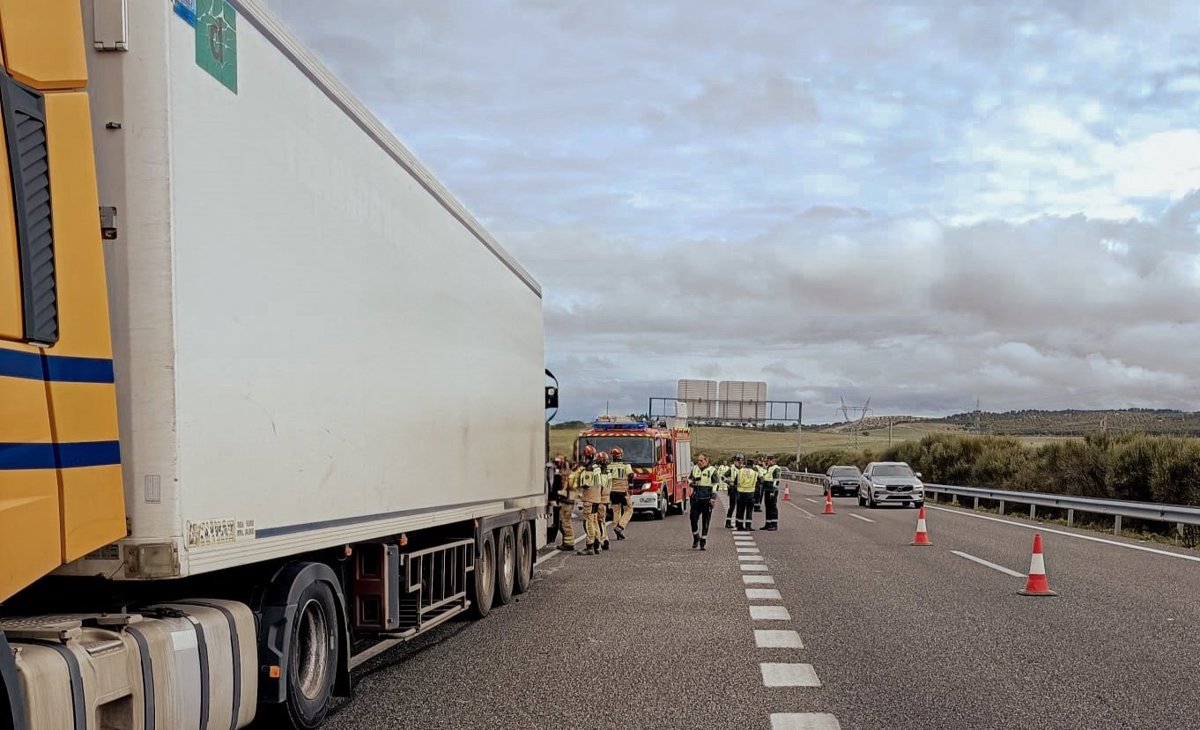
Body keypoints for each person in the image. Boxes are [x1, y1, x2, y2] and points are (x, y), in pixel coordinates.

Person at [688, 453, 718, 549]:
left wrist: (713, 497)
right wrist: (692, 483)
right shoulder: (695, 469)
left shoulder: (712, 470)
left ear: (706, 461)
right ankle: (696, 537)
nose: (699, 462)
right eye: (698, 460)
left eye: (701, 460)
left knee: (705, 521)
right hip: (696, 499)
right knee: (693, 519)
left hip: (707, 500)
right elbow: (689, 479)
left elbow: (716, 484)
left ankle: (703, 541)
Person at [577, 451, 603, 555]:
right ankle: (597, 544)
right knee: (595, 521)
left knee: (588, 522)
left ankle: (590, 546)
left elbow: (586, 484)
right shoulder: (597, 467)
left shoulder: (589, 468)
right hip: (596, 498)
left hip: (589, 498)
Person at [550, 454, 576, 550]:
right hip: (567, 500)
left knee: (565, 522)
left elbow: (564, 488)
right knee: (562, 522)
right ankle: (567, 542)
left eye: (558, 462)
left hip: (567, 501)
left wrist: (558, 493)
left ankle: (569, 544)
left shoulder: (567, 475)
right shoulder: (568, 473)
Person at [609, 447, 634, 540]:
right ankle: (620, 527)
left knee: (616, 510)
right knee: (629, 509)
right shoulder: (626, 465)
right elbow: (631, 475)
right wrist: (630, 486)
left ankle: (617, 529)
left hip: (612, 492)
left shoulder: (609, 466)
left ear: (613, 456)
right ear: (621, 455)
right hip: (623, 491)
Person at [594, 450, 613, 551]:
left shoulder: (600, 474)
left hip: (599, 499)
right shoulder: (609, 473)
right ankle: (605, 538)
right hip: (605, 500)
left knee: (599, 521)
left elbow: (599, 487)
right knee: (602, 520)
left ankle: (602, 539)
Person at [735, 456, 759, 531]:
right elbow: (758, 483)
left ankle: (739, 526)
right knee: (749, 510)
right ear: (753, 464)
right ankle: (748, 526)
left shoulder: (740, 471)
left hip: (741, 493)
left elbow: (736, 481)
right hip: (750, 493)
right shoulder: (754, 472)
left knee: (741, 510)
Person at [761, 455, 782, 531]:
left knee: (773, 507)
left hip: (772, 490)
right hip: (767, 489)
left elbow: (776, 480)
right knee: (768, 507)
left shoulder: (776, 468)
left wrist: (773, 491)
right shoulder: (769, 468)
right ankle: (768, 523)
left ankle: (774, 524)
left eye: (768, 460)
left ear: (772, 460)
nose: (767, 462)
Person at [725, 454, 743, 528]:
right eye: (738, 462)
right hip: (733, 489)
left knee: (740, 507)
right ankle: (728, 522)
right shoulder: (731, 469)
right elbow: (723, 477)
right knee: (732, 506)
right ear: (735, 461)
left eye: (741, 462)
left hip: (741, 490)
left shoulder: (743, 469)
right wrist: (729, 482)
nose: (740, 463)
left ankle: (738, 522)